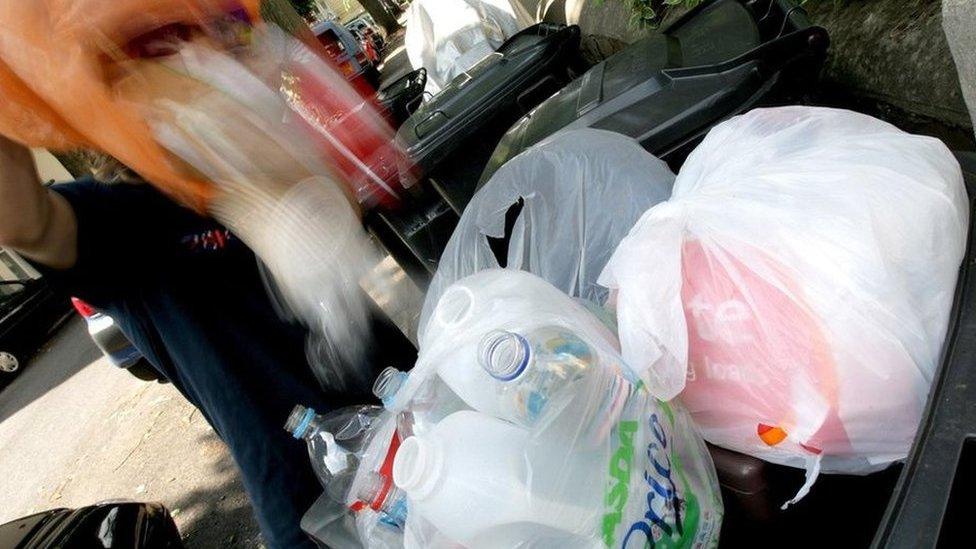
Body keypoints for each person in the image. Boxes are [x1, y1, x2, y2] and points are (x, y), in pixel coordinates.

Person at [0, 135, 412, 548]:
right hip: (324, 493)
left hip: (411, 404)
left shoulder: (235, 150)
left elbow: (342, 212)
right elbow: (23, 218)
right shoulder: (116, 216)